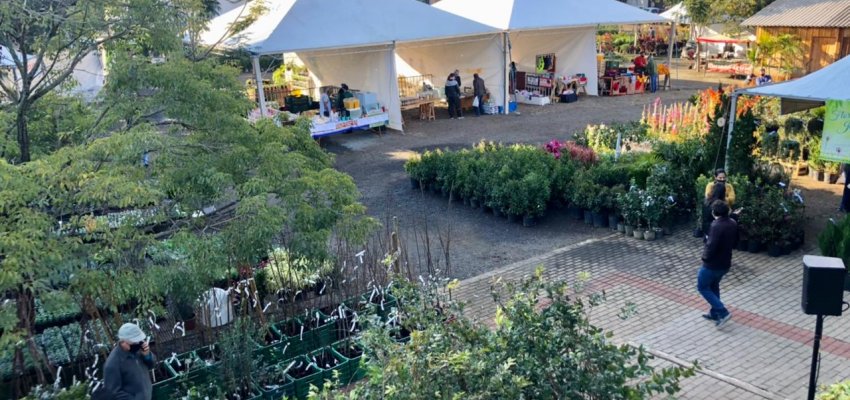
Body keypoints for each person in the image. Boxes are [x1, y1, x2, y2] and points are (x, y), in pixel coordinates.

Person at [698, 200, 737, 328]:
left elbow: (711, 246)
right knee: (714, 286)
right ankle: (715, 313)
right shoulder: (732, 223)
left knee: (702, 287)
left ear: (714, 212)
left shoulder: (716, 225)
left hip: (712, 264)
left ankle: (723, 312)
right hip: (725, 263)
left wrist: (705, 258)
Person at [100, 323, 156, 400]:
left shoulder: (138, 350)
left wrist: (147, 356)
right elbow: (112, 392)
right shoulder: (112, 364)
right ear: (123, 342)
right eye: (135, 342)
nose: (138, 343)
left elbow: (151, 365)